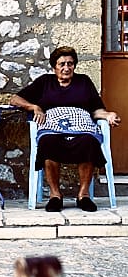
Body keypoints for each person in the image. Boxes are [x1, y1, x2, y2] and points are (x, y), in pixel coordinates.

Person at [10, 45, 121, 212]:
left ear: (74, 65)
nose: (66, 68)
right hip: (53, 129)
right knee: (47, 142)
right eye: (62, 64)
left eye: (70, 64)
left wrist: (108, 115)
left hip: (82, 129)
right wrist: (33, 107)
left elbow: (96, 110)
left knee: (89, 141)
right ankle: (55, 196)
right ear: (54, 66)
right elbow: (15, 99)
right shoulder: (45, 82)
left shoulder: (84, 81)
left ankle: (83, 195)